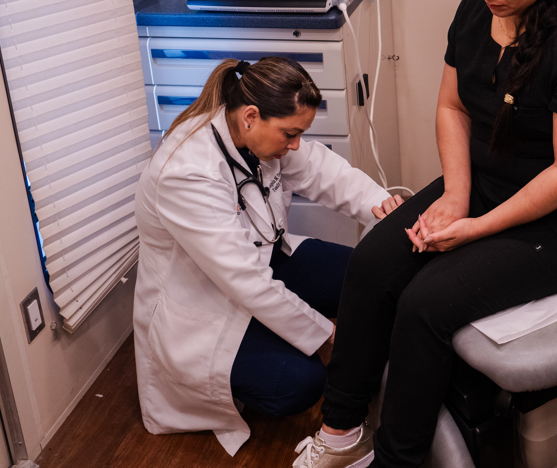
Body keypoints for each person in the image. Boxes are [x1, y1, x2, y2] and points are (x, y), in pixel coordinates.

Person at [290, 0, 557, 468]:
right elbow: (452, 108)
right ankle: (343, 433)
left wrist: (474, 229)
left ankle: (398, 460)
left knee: (427, 303)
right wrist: (456, 194)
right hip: (488, 184)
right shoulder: (476, 11)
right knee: (374, 260)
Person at [133, 56, 405, 456]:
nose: (295, 145)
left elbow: (323, 171)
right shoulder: (188, 172)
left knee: (369, 272)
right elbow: (247, 283)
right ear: (251, 116)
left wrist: (385, 207)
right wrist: (326, 336)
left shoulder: (258, 135)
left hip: (263, 260)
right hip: (203, 305)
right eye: (290, 134)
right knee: (301, 382)